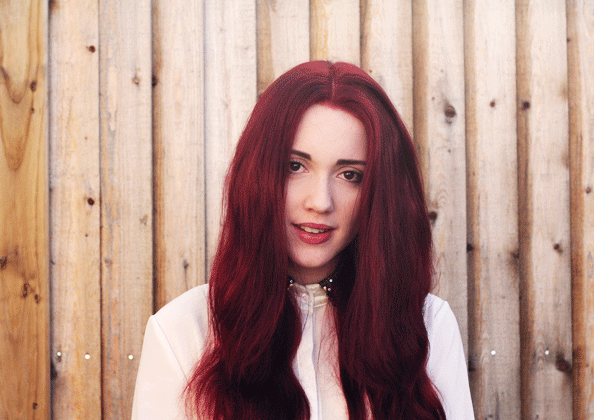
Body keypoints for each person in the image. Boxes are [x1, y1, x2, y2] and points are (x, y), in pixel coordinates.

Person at [132, 61, 474, 420]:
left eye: (350, 175)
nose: (320, 202)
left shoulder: (429, 326)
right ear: (257, 174)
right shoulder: (181, 332)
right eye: (295, 166)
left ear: (380, 193)